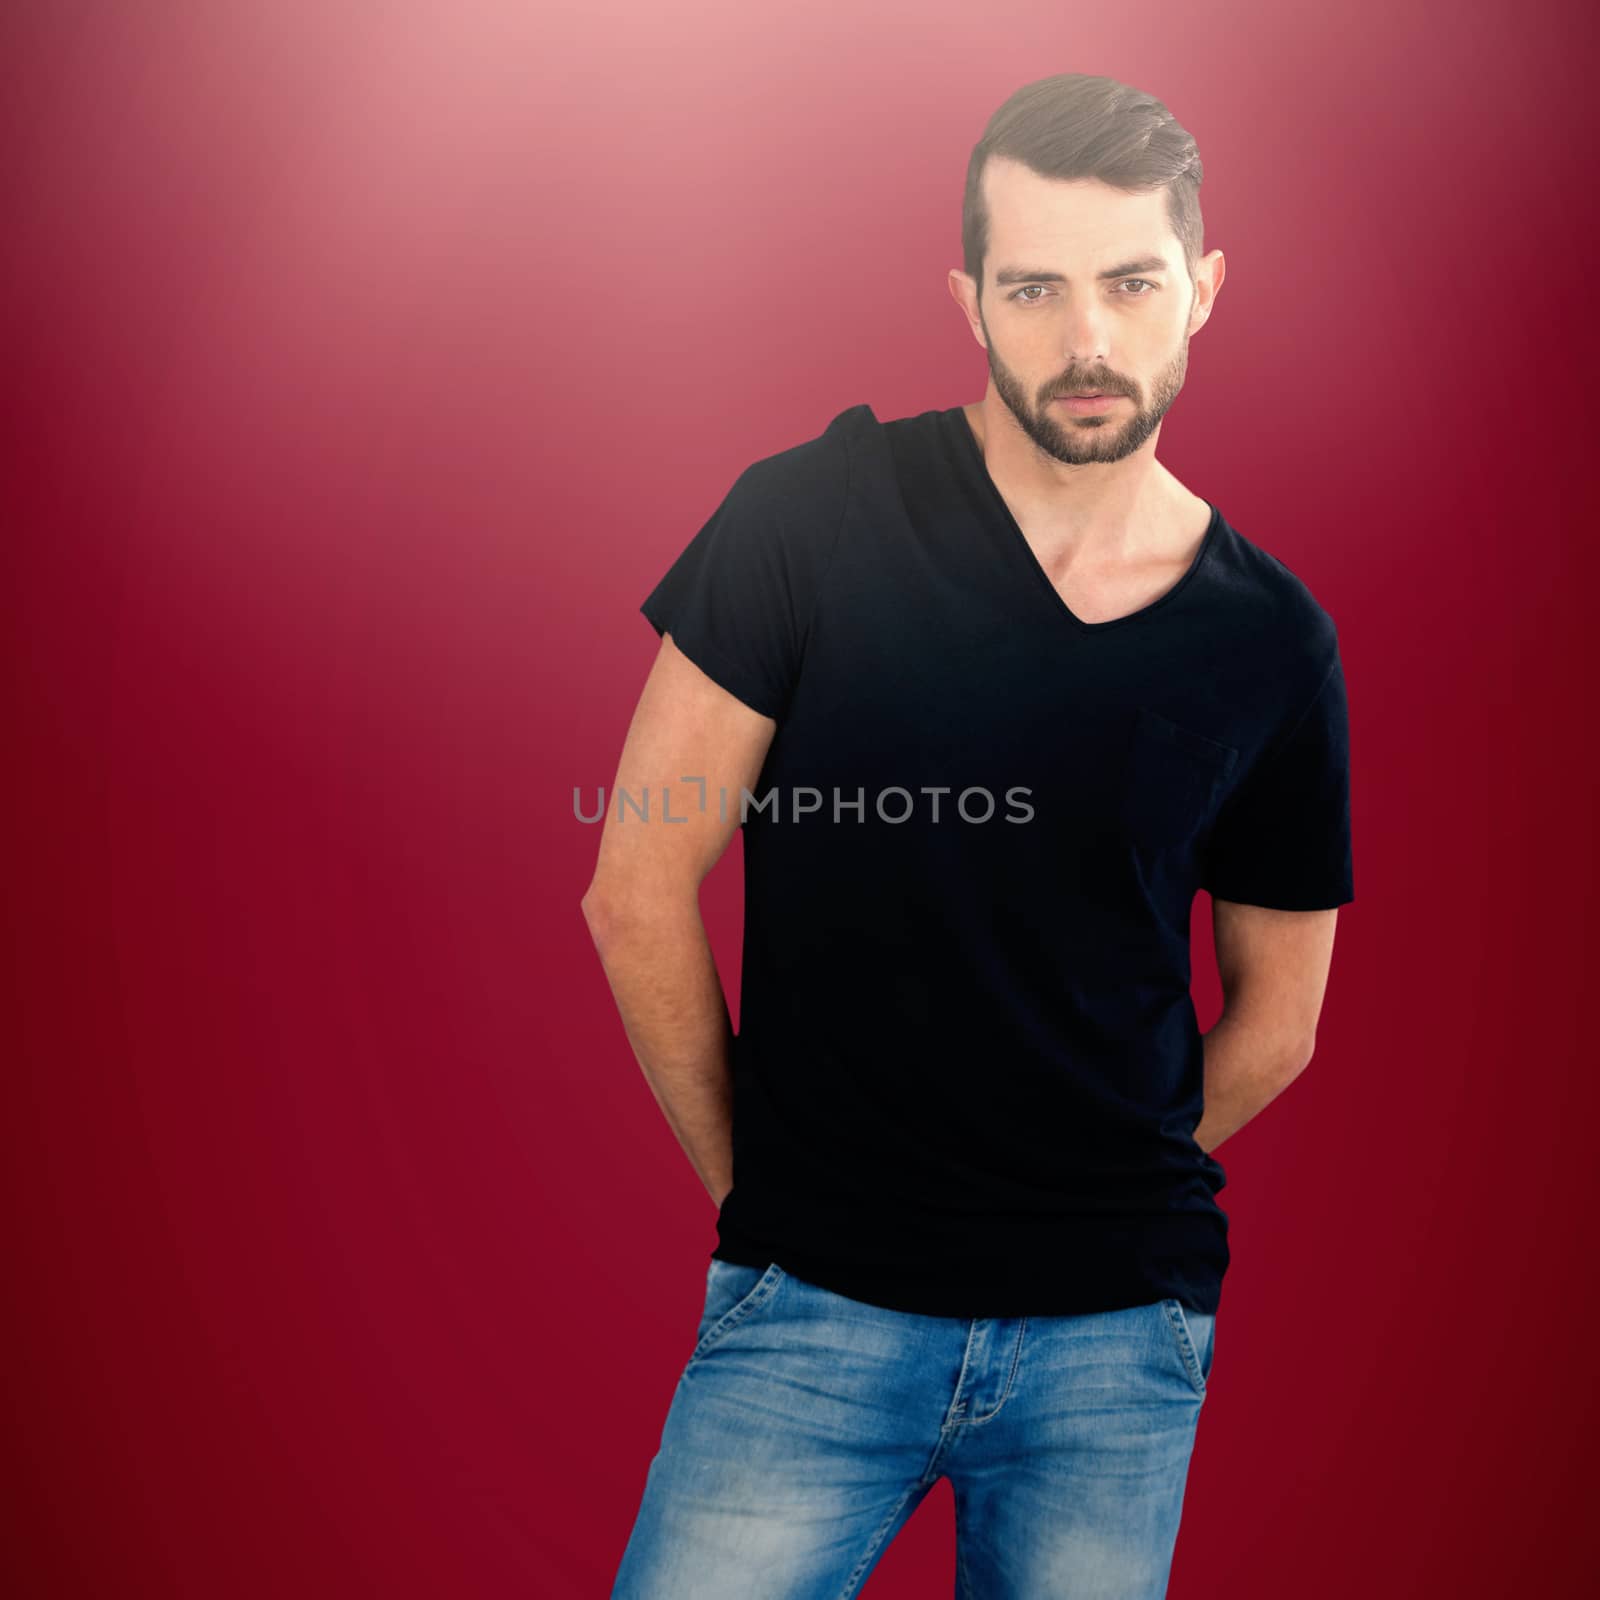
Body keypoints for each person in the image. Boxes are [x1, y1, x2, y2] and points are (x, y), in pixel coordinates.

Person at [582, 70, 1354, 1600]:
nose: (1087, 339)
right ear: (970, 298)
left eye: (1133, 284)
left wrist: (1095, 1178)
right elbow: (637, 880)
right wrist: (767, 1190)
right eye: (1035, 287)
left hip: (1114, 1348)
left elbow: (1283, 1018)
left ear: (1200, 291)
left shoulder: (1273, 640)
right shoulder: (808, 520)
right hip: (812, 1313)